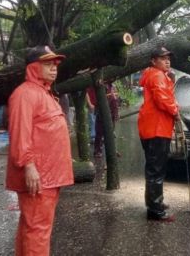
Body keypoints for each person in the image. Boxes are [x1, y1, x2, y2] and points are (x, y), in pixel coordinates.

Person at [6, 45, 73, 256]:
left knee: (32, 228)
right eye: (47, 64)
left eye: (55, 64)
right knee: (38, 230)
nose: (54, 68)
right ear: (34, 67)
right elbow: (19, 134)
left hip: (48, 176)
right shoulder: (25, 94)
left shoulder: (43, 93)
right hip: (38, 177)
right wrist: (29, 166)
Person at [138, 46, 179, 221]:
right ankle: (155, 210)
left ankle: (156, 203)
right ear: (153, 61)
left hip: (153, 127)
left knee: (155, 168)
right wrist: (175, 111)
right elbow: (163, 98)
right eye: (163, 58)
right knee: (156, 170)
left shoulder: (155, 75)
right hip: (157, 128)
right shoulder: (157, 75)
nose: (167, 61)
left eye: (168, 58)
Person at [86, 81, 119, 157]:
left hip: (111, 106)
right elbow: (88, 92)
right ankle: (97, 150)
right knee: (99, 131)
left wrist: (116, 113)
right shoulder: (96, 82)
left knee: (110, 130)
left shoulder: (110, 84)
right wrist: (91, 104)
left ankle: (112, 149)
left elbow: (114, 97)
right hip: (101, 107)